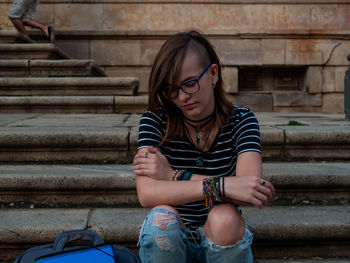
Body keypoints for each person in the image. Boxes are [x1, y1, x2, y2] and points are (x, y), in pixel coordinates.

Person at [132, 30, 275, 263]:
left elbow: (250, 191)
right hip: (173, 235)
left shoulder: (241, 120)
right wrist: (222, 186)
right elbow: (147, 193)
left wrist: (173, 175)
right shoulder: (156, 120)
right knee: (162, 219)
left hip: (221, 235)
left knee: (224, 218)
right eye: (171, 89)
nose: (181, 97)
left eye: (189, 84)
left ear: (213, 73)